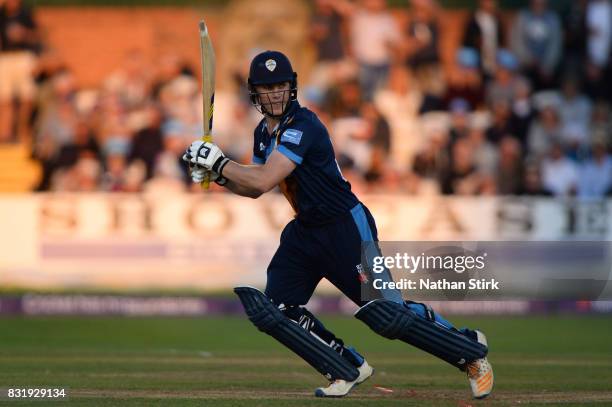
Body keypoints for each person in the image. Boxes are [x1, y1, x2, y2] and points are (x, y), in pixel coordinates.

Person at [182, 50, 493, 399]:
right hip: (305, 232)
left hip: (344, 226)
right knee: (275, 311)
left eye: (281, 85)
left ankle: (469, 351)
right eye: (267, 87)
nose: (275, 94)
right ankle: (345, 366)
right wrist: (218, 176)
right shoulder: (261, 133)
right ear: (254, 92)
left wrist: (219, 164)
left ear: (292, 87)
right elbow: (252, 186)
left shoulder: (304, 125)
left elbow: (264, 179)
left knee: (388, 315)